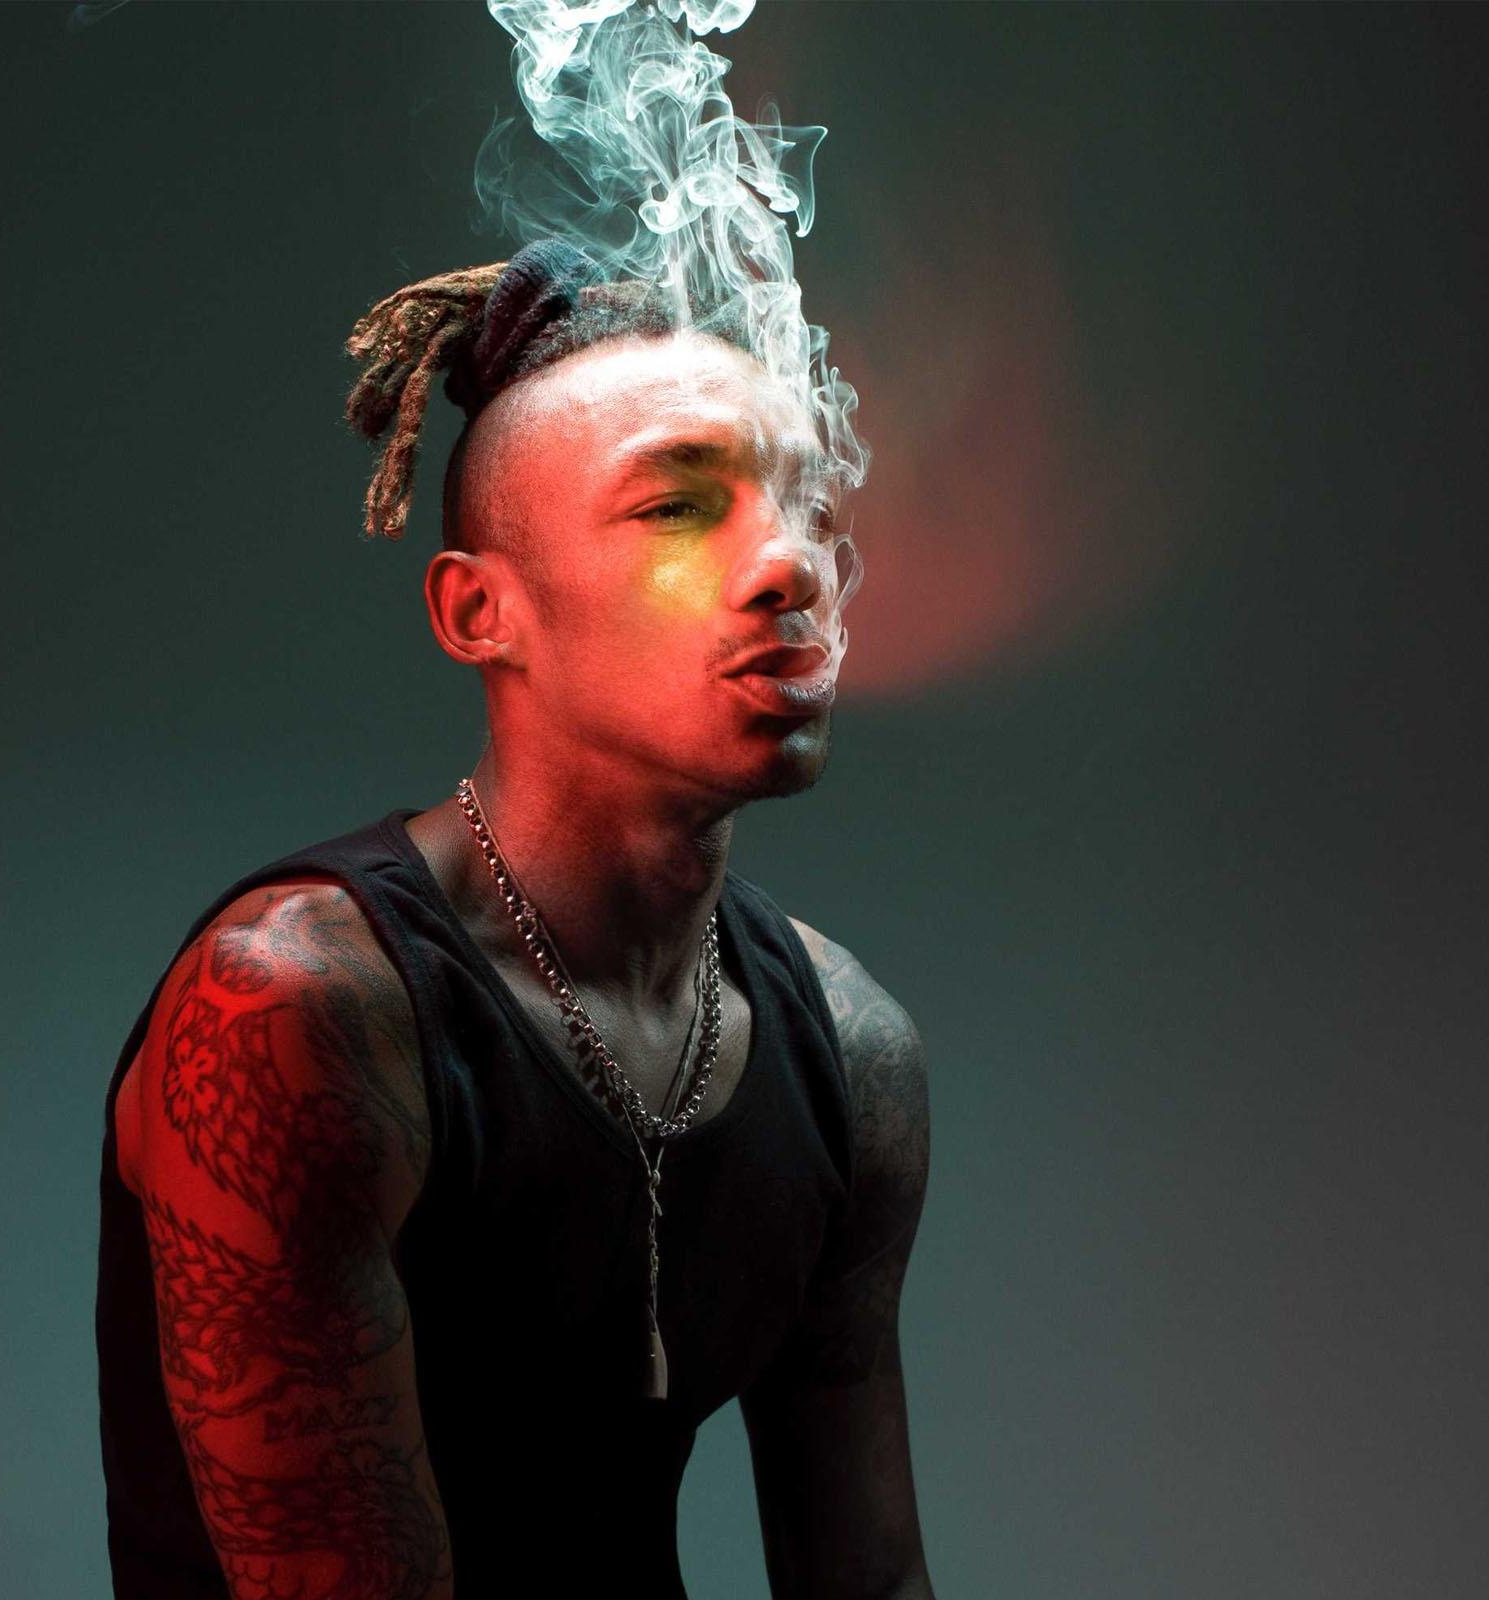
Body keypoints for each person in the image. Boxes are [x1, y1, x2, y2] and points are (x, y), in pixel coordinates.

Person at [95, 241, 935, 1600]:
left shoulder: (851, 1054)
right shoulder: (300, 1011)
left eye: (808, 507)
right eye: (676, 506)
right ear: (482, 611)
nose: (789, 564)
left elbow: (872, 1584)